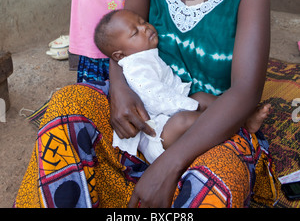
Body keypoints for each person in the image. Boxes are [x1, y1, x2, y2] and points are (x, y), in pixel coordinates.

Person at [15, 0, 279, 208]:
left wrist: (169, 165)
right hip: (145, 115)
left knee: (217, 180)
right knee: (68, 105)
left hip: (207, 127)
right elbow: (118, 40)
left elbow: (245, 91)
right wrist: (121, 91)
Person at [94, 9, 270, 164]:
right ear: (119, 54)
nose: (145, 28)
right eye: (135, 33)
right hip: (158, 134)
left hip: (171, 111)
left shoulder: (143, 55)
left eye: (143, 22)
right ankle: (235, 129)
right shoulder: (136, 67)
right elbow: (155, 98)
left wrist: (192, 102)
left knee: (202, 97)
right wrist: (191, 106)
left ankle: (242, 119)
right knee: (185, 118)